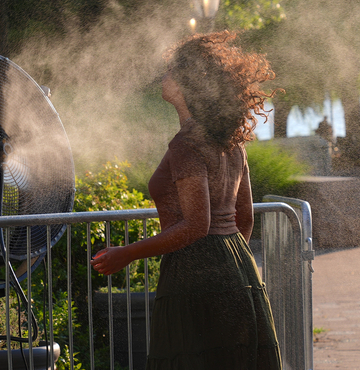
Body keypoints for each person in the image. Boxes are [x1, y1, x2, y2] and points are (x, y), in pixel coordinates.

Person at [90, 31, 282, 369]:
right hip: (239, 267)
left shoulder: (187, 144)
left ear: (186, 85)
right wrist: (229, 267)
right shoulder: (232, 142)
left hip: (193, 274)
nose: (163, 77)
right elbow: (245, 219)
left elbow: (196, 225)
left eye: (170, 71)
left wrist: (127, 253)